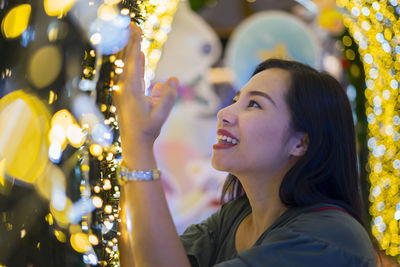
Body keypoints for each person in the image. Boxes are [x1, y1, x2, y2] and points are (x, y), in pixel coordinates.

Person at [114, 24, 377, 267]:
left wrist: (139, 144)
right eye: (237, 99)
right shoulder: (234, 218)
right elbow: (141, 260)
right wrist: (131, 143)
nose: (224, 113)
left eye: (254, 104)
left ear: (301, 142)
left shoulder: (331, 237)